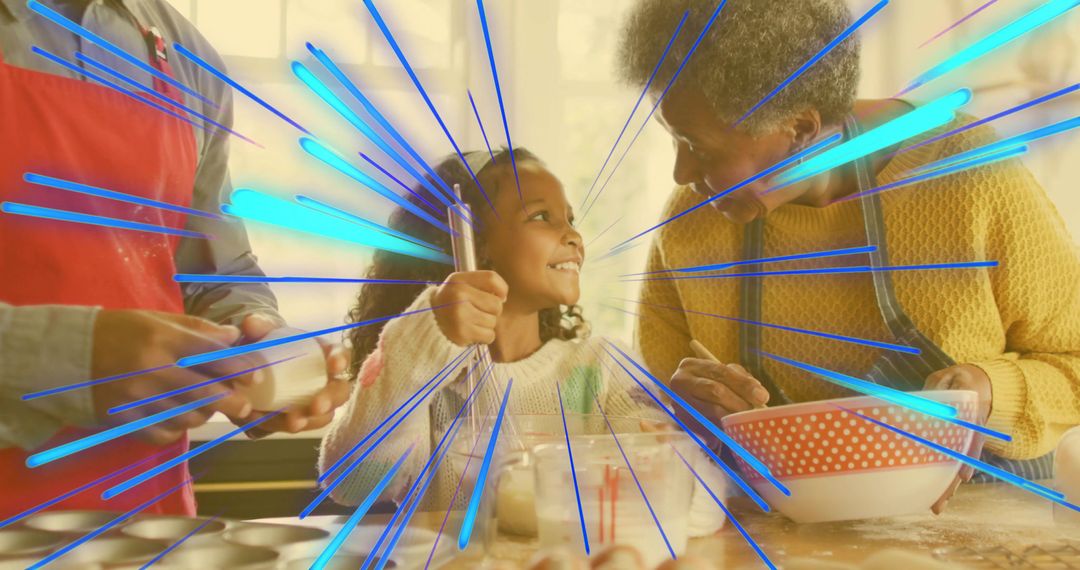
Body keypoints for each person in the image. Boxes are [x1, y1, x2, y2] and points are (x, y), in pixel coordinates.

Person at [616, 0, 1080, 511]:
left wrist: (990, 390)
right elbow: (646, 411)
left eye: (698, 147)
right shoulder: (690, 223)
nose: (681, 173)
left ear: (800, 130)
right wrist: (679, 411)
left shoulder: (968, 175)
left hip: (984, 533)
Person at [0, 0, 348, 518]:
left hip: (145, 515)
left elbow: (212, 273)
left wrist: (258, 348)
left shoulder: (188, 61)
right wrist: (78, 359)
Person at [319, 149, 725, 538]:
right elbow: (353, 482)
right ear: (477, 245)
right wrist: (427, 334)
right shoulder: (423, 384)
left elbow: (694, 503)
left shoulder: (600, 370)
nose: (573, 235)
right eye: (542, 216)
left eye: (570, 217)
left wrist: (671, 461)